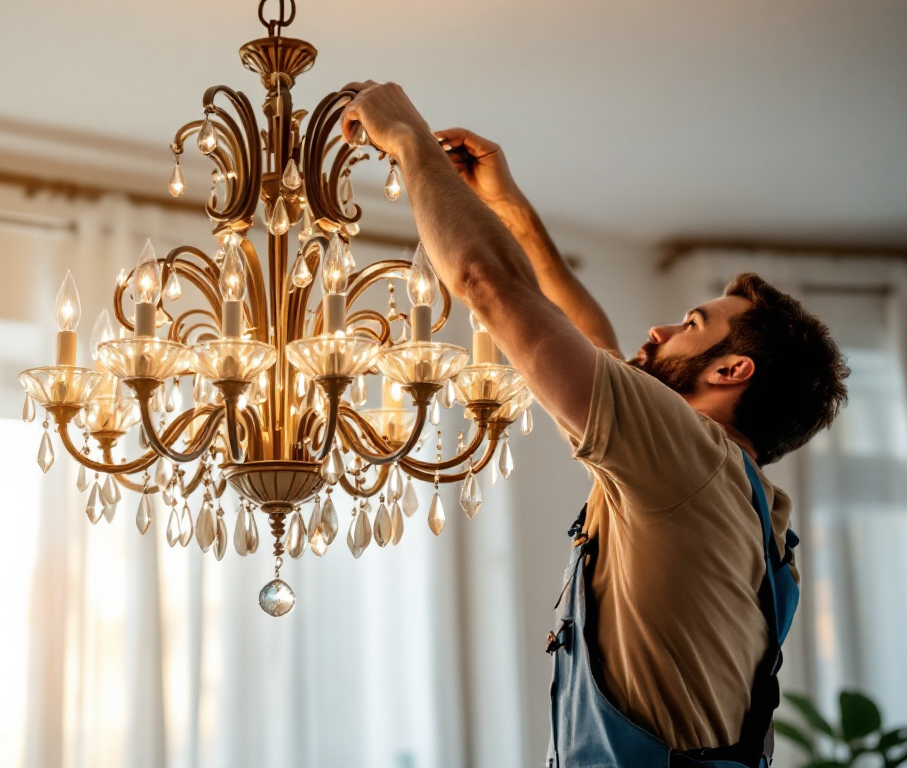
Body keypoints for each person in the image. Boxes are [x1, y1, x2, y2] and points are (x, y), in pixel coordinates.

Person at [340, 81, 849, 767]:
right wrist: (511, 211)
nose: (660, 329)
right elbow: (599, 350)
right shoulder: (726, 489)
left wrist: (404, 137)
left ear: (731, 372)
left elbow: (487, 284)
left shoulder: (689, 462)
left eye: (691, 326)